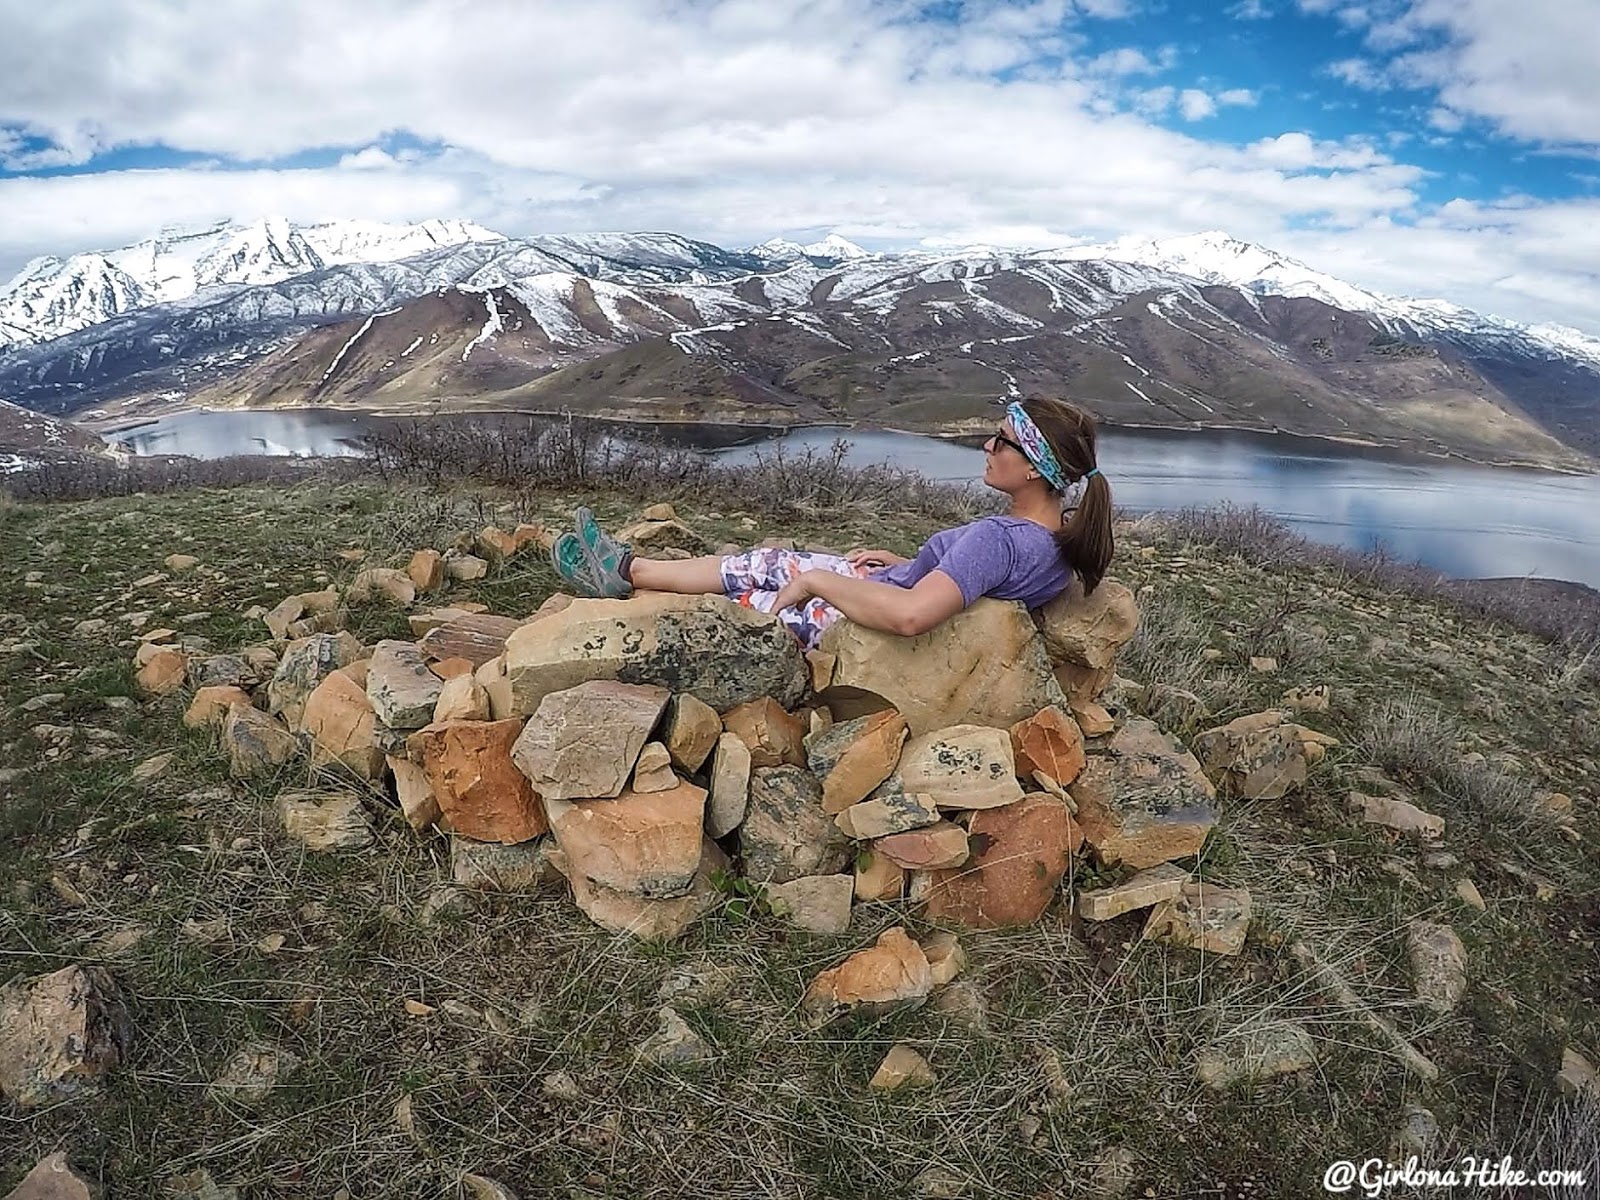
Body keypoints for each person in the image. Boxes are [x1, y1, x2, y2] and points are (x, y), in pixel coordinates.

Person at [550, 396, 1114, 649]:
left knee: (748, 597)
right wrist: (916, 563)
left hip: (853, 622)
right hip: (878, 586)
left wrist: (821, 583)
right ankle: (627, 567)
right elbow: (970, 578)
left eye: (1002, 441)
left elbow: (914, 618)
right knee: (765, 561)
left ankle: (624, 576)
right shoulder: (1053, 536)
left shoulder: (1000, 538)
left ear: (1036, 468)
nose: (986, 446)